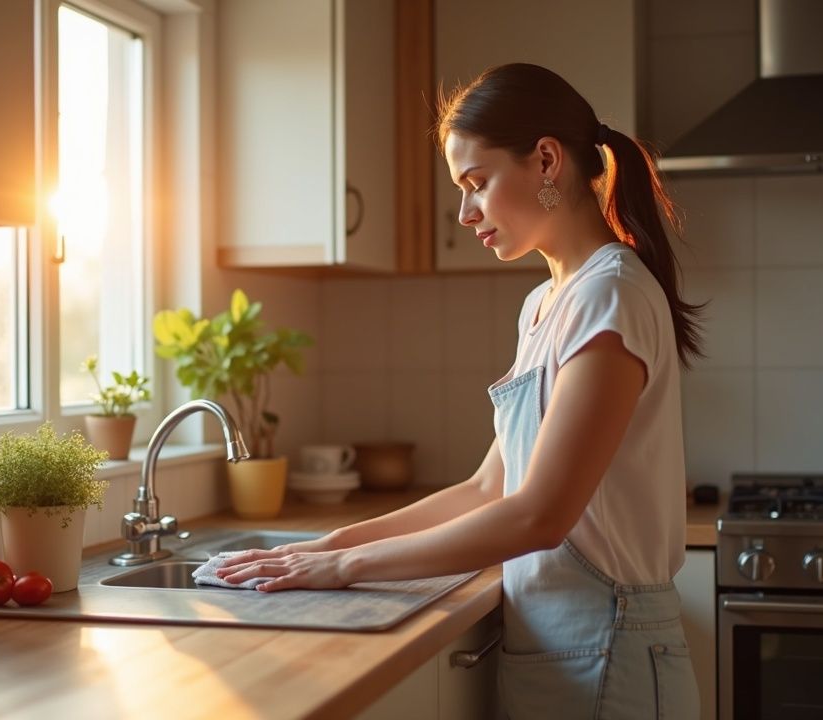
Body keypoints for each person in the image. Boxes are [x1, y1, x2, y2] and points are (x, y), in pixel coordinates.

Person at [217, 63, 704, 719]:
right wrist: (332, 544)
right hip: (564, 649)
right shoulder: (546, 303)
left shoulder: (609, 294)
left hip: (608, 653)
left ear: (546, 161)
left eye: (477, 183)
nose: (465, 211)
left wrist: (344, 569)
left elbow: (540, 514)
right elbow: (487, 489)